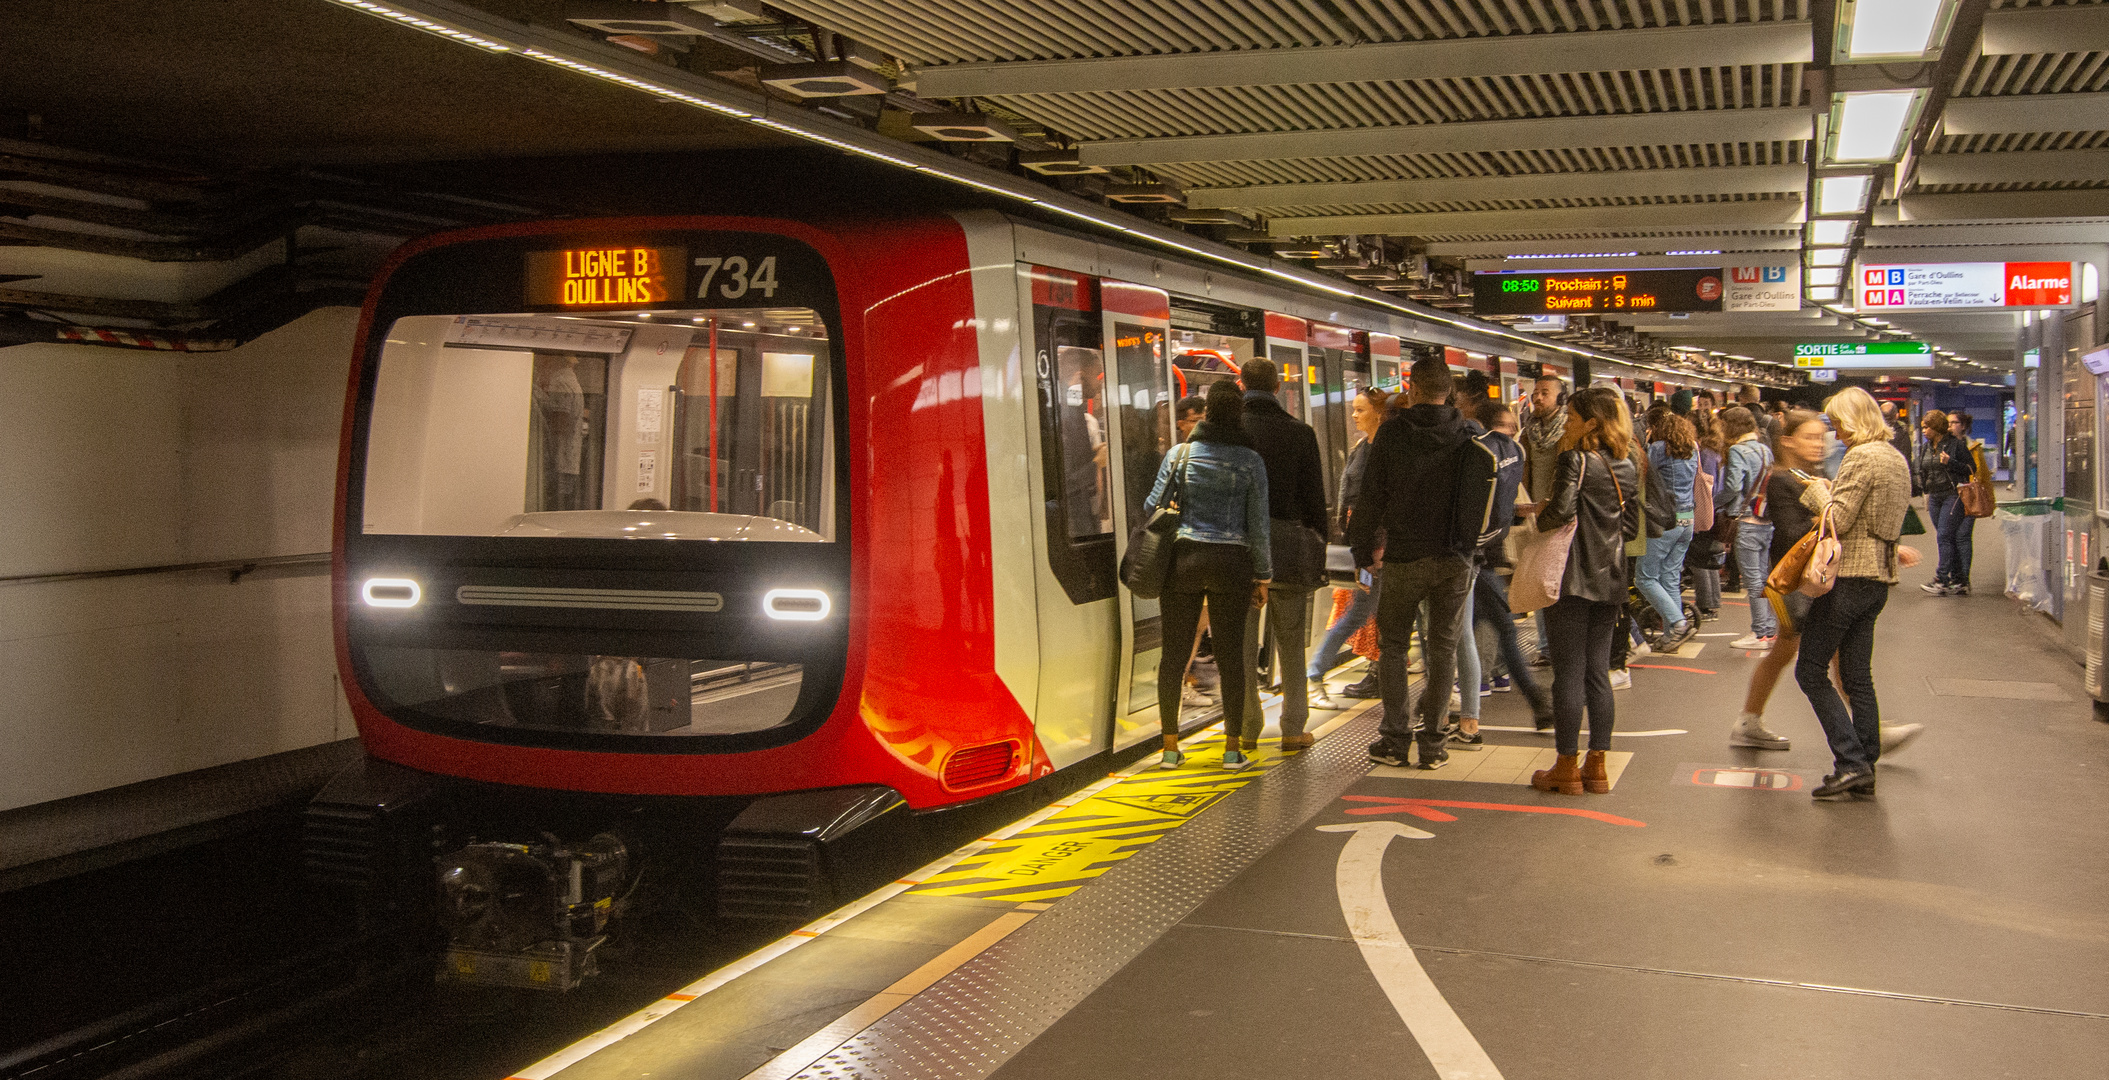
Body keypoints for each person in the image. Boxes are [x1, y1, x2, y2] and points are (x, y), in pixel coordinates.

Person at [1351, 356, 1500, 771]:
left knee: (1394, 646)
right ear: (1448, 392)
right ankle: (1433, 743)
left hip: (1403, 557)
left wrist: (1363, 554)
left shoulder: (1392, 434)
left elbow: (1370, 498)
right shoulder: (1469, 435)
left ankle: (1396, 739)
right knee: (1443, 648)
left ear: (1413, 388)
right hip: (1454, 558)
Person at [1147, 380, 1272, 772]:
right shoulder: (1251, 461)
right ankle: (1232, 752)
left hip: (1183, 557)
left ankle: (1170, 749)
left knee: (1174, 655)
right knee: (1232, 656)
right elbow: (1258, 525)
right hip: (1231, 563)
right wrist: (1263, 575)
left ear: (1206, 414)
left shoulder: (1180, 453)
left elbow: (1152, 504)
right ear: (1238, 414)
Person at [1797, 387, 1915, 800]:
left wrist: (1818, 492)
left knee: (1810, 671)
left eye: (1839, 425)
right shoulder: (1895, 457)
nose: (1837, 435)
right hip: (1878, 580)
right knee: (1857, 676)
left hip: (1847, 578)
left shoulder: (1862, 457)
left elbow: (1840, 521)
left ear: (1854, 421)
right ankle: (1865, 762)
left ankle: (1850, 762)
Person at [1531, 386, 1643, 795]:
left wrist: (1538, 517)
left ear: (1591, 423)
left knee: (1568, 673)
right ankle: (1597, 768)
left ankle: (1565, 766)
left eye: (1573, 417)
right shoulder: (1627, 463)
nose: (1568, 423)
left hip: (1571, 578)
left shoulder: (1574, 459)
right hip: (1610, 580)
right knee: (1598, 672)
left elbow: (1560, 512)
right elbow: (1628, 527)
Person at [1236, 358, 1329, 751]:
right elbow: (1315, 500)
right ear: (1277, 387)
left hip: (1238, 549)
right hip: (1288, 548)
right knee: (1291, 644)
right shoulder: (1300, 433)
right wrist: (1317, 545)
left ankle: (1246, 728)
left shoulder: (1230, 432)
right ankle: (1293, 728)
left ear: (1242, 385)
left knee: (1240, 643)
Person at [1730, 408, 1827, 750]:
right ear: (1788, 441)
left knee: (1791, 653)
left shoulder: (1808, 477)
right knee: (1787, 651)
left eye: (1821, 437)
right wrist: (1825, 514)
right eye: (1810, 437)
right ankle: (1748, 721)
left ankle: (1749, 720)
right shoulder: (1785, 480)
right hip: (1792, 585)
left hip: (1810, 582)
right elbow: (1790, 531)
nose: (1819, 444)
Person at [1461, 401, 1554, 735]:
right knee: (1497, 632)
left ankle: (1437, 705)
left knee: (1454, 637)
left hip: (1473, 563)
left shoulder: (1487, 453)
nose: (1512, 432)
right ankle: (1537, 702)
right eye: (1505, 425)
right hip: (1481, 563)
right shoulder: (1493, 453)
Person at [1310, 387, 1390, 705]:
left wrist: (1376, 546)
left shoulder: (1382, 449)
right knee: (1361, 610)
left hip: (1374, 547)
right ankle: (1318, 672)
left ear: (1379, 413)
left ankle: (1319, 672)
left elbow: (1379, 503)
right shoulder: (1361, 447)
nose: (1354, 415)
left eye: (1360, 410)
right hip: (1365, 548)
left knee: (1362, 611)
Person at [1638, 410, 1700, 649]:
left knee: (1645, 577)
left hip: (1665, 520)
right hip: (1687, 519)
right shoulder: (1693, 449)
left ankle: (1677, 621)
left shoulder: (1658, 449)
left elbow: (1643, 474)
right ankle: (1671, 635)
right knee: (1669, 577)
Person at [1519, 374, 1567, 664]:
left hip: (1559, 514)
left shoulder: (1568, 431)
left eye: (1544, 393)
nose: (1537, 398)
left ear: (1559, 398)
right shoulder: (1529, 432)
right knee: (1538, 580)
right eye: (1535, 393)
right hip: (1535, 514)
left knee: (1559, 580)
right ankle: (1548, 647)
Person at [1721, 406, 1778, 652]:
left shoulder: (1737, 451)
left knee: (1753, 581)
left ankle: (1759, 633)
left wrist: (1715, 503)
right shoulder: (1765, 449)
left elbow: (1734, 486)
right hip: (1766, 521)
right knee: (1764, 578)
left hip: (1746, 520)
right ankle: (1770, 628)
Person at [1918, 410, 1976, 596]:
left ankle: (1941, 579)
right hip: (1934, 496)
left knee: (1944, 536)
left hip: (1952, 495)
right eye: (1923, 428)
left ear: (1936, 428)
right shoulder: (1926, 448)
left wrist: (1950, 462)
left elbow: (1970, 468)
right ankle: (1959, 579)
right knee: (1948, 538)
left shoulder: (1956, 445)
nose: (1924, 431)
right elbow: (1922, 469)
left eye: (1927, 427)